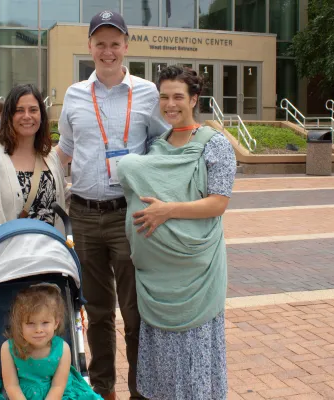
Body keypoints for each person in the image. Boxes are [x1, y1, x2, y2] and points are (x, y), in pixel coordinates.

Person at [56, 10, 169, 400]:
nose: (108, 51)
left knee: (137, 313)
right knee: (98, 313)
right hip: (84, 215)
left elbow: (162, 146)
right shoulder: (73, 95)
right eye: (100, 43)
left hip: (130, 214)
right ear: (90, 46)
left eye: (114, 43)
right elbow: (66, 151)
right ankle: (103, 391)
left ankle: (142, 391)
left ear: (126, 45)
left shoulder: (148, 94)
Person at [116, 65, 236, 399]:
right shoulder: (156, 145)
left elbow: (218, 203)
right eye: (164, 97)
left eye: (178, 97)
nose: (170, 104)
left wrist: (167, 210)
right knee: (163, 363)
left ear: (194, 99)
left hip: (196, 273)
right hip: (157, 277)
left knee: (194, 352)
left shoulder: (215, 145)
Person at [0, 84, 69, 395]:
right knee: (1, 337)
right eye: (19, 110)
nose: (27, 116)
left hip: (46, 264)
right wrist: (15, 244)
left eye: (34, 110)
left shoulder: (49, 157)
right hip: (1, 263)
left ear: (42, 116)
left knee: (44, 335)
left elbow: (59, 208)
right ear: (8, 115)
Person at [0, 284, 101, 400]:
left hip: (57, 394)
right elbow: (11, 386)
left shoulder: (62, 349)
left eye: (45, 323)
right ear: (20, 325)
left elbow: (58, 386)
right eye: (30, 323)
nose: (38, 330)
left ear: (56, 323)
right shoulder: (8, 348)